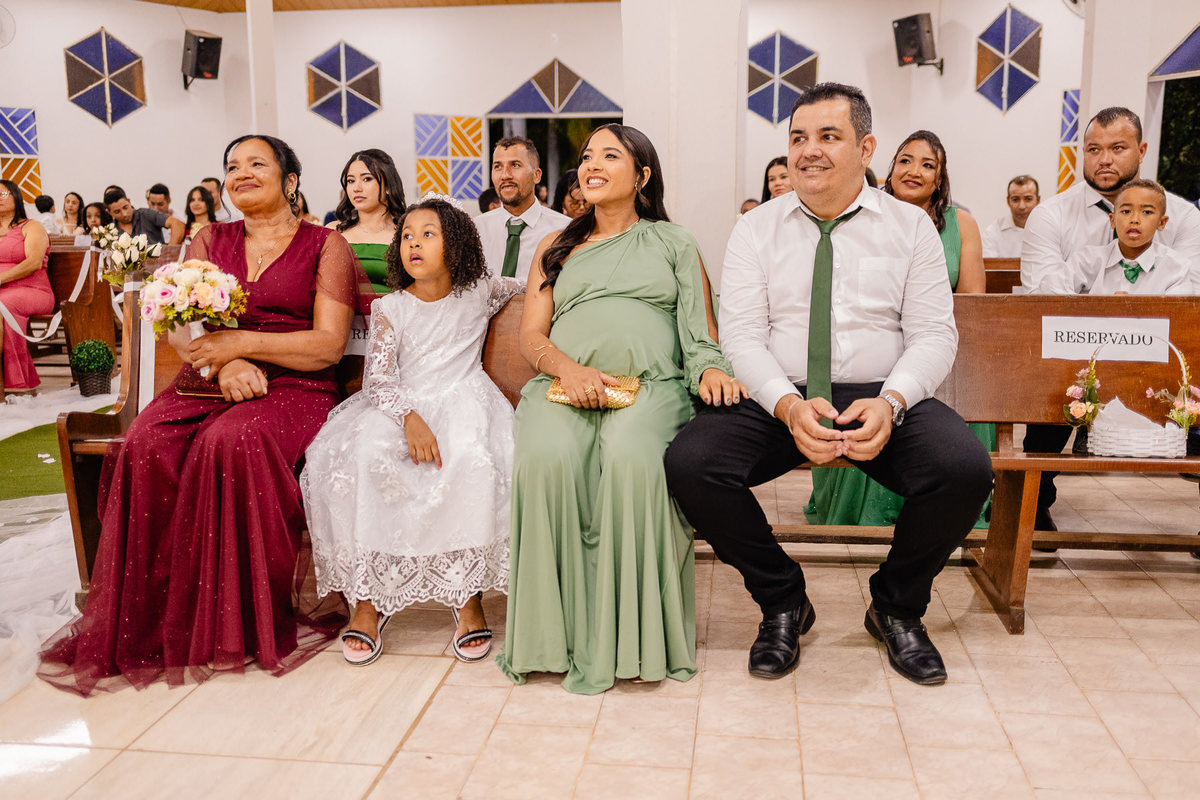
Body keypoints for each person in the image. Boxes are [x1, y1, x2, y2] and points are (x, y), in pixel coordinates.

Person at [664, 83, 993, 686]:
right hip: (778, 395)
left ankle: (897, 607)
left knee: (965, 469)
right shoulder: (756, 229)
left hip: (879, 391)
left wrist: (892, 402)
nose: (808, 151)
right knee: (692, 463)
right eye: (798, 138)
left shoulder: (910, 228)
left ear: (866, 147)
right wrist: (788, 406)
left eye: (828, 136)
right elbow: (741, 335)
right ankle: (783, 597)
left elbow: (933, 334)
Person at [38, 134, 371, 696]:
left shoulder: (324, 246)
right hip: (211, 377)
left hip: (296, 383)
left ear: (290, 180)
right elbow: (181, 322)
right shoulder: (207, 239)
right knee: (144, 444)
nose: (241, 173)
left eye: (257, 164)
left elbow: (328, 346)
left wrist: (242, 343)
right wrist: (227, 361)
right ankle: (157, 622)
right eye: (232, 166)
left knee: (232, 443)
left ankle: (233, 624)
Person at [496, 123, 742, 694]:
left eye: (611, 154)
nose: (593, 164)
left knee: (633, 462)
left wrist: (709, 368)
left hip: (651, 387)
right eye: (587, 156)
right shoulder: (554, 246)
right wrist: (569, 370)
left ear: (643, 175)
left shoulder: (674, 242)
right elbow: (531, 335)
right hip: (566, 385)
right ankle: (550, 642)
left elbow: (699, 328)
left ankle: (630, 641)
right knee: (546, 459)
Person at [302, 196, 522, 666]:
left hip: (466, 399)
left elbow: (529, 287)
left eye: (428, 234)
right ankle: (370, 599)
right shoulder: (391, 308)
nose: (414, 244)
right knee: (365, 456)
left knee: (471, 458)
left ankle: (466, 594)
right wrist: (409, 418)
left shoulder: (481, 292)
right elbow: (380, 379)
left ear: (457, 246)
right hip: (402, 403)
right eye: (406, 236)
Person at [1020, 106, 1200, 530]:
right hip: (1074, 354)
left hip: (1166, 354)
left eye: (1117, 148)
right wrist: (1106, 314)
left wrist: (1138, 316)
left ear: (1141, 150)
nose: (1104, 159)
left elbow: (1191, 300)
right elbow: (1040, 296)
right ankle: (1035, 502)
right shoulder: (1052, 215)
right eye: (1093, 149)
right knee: (1048, 381)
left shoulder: (1185, 216)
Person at [805, 129, 992, 527]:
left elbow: (973, 302)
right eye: (905, 160)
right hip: (879, 349)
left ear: (940, 180)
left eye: (928, 165)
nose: (914, 170)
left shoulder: (964, 224)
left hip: (939, 350)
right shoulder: (862, 214)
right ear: (889, 168)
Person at [1046, 179, 1191, 295]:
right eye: (1126, 211)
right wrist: (1099, 308)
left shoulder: (1176, 268)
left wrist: (1134, 311)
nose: (1135, 219)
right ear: (1112, 220)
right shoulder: (1087, 260)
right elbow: (1048, 290)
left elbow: (1178, 318)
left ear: (1162, 222)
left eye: (1146, 212)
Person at [475, 136, 569, 284]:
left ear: (536, 175)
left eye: (515, 165)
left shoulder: (564, 231)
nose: (505, 175)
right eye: (498, 166)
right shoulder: (475, 230)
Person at [0, 180, 54, 392]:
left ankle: (18, 383)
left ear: (16, 196)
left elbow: (33, 262)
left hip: (34, 290)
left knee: (5, 304)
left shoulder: (31, 226)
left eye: (4, 194)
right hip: (4, 291)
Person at [331, 149, 407, 296]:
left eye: (367, 179)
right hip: (343, 317)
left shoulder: (406, 233)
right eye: (351, 181)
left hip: (395, 316)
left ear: (389, 187)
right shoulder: (334, 232)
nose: (357, 188)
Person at [982, 176, 1040, 258]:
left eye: (1028, 199)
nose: (1021, 206)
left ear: (1037, 200)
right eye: (1015, 199)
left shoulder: (1049, 229)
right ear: (1008, 201)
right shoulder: (993, 232)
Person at [104, 187, 184, 246]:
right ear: (109, 212)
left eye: (125, 207)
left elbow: (177, 224)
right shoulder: (110, 232)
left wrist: (168, 251)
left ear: (129, 201)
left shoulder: (146, 214)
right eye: (117, 212)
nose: (124, 214)